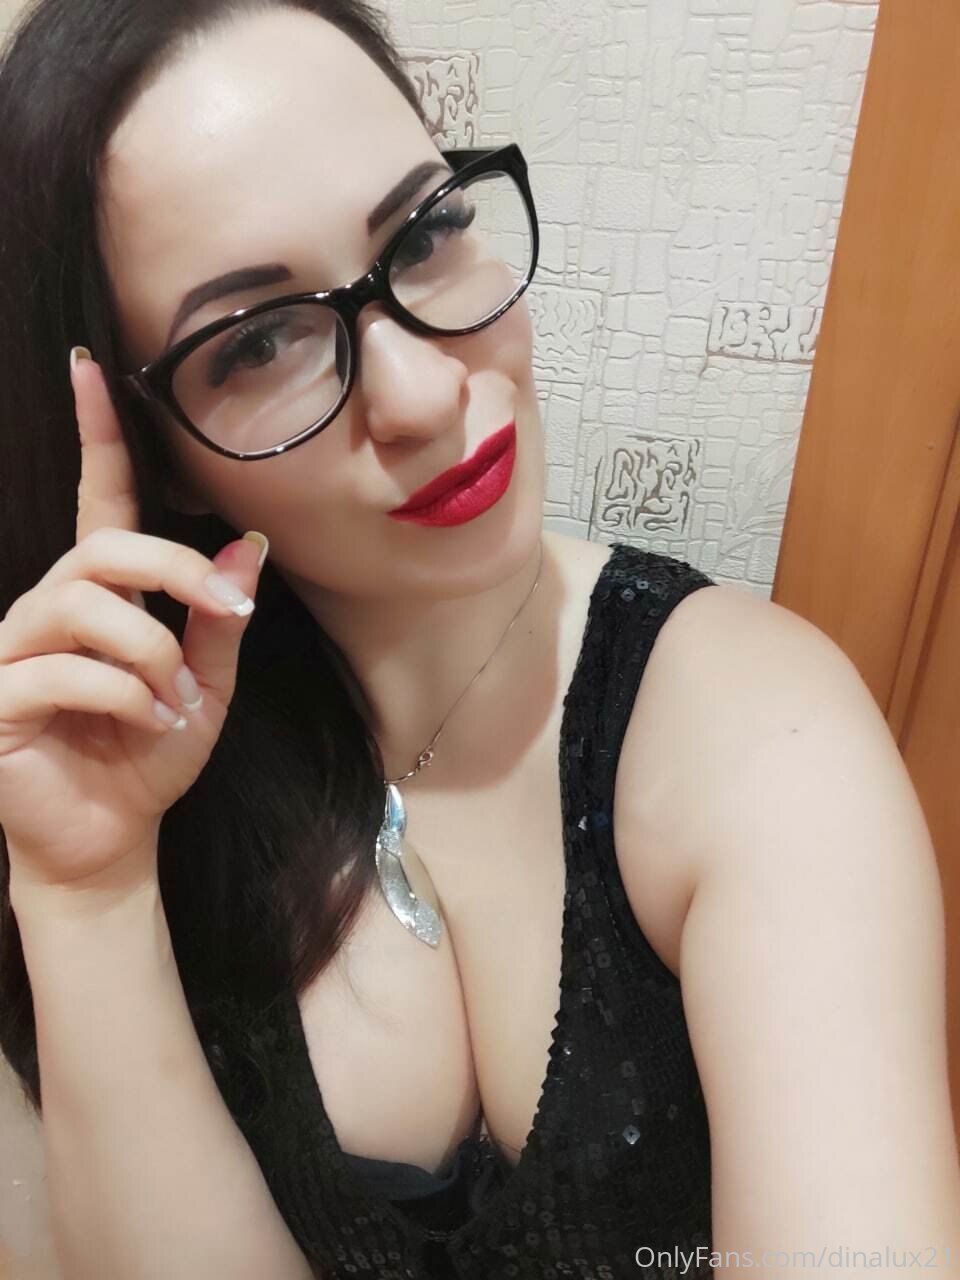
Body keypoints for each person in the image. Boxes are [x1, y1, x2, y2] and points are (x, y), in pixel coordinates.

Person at [0, 2, 957, 1278]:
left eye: (424, 233)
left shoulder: (751, 728)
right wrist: (89, 895)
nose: (425, 391)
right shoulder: (108, 744)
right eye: (259, 341)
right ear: (153, 450)